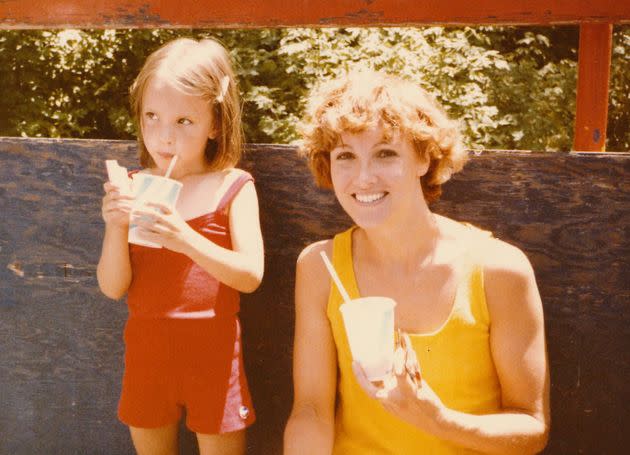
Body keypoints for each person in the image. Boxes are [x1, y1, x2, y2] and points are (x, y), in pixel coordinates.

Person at [284, 69, 549, 454]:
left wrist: (437, 420)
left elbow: (531, 428)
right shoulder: (319, 267)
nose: (363, 177)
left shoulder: (498, 270)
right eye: (345, 156)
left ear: (424, 157)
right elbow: (311, 411)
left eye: (385, 153)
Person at [97, 37, 264, 455]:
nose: (163, 136)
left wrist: (185, 238)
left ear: (216, 124)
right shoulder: (133, 186)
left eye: (183, 122)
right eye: (152, 117)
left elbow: (250, 276)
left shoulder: (232, 187)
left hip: (214, 357)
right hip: (147, 357)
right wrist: (115, 225)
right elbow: (113, 287)